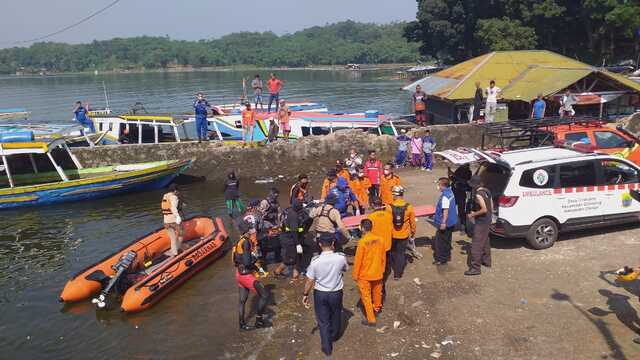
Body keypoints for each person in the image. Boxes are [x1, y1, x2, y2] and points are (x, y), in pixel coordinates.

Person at [302, 233, 349, 356]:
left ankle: (327, 347)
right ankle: (334, 335)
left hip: (320, 294)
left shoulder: (315, 261)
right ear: (333, 244)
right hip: (336, 292)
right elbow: (345, 269)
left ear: (320, 244)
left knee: (323, 321)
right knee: (336, 314)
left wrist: (305, 294)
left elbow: (309, 280)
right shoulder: (340, 257)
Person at [234, 220, 271, 331]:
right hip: (246, 275)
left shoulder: (239, 241)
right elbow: (246, 262)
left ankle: (241, 325)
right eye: (250, 228)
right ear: (246, 230)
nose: (251, 230)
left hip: (239, 275)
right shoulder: (246, 242)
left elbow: (238, 259)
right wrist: (255, 260)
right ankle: (259, 320)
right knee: (264, 295)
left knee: (242, 301)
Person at [353, 219, 385, 326]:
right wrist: (382, 269)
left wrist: (355, 275)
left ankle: (371, 319)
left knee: (366, 297)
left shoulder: (362, 242)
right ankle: (377, 308)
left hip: (365, 274)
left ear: (362, 228)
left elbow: (358, 260)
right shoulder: (380, 239)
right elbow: (383, 258)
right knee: (377, 292)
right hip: (378, 272)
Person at [465, 175, 492, 276]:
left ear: (475, 185)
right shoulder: (487, 191)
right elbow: (490, 206)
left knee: (476, 244)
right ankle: (486, 261)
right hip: (487, 220)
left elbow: (484, 209)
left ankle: (475, 268)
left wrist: (473, 214)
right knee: (485, 241)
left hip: (481, 221)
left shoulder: (478, 195)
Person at [387, 186, 416, 280]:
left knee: (393, 252)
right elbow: (412, 222)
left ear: (394, 195)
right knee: (401, 254)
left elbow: (387, 222)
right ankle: (397, 274)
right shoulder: (409, 207)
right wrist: (413, 233)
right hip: (403, 235)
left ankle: (392, 266)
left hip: (392, 234)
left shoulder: (389, 207)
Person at [274, 199, 305, 279]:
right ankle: (277, 271)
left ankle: (295, 274)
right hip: (290, 239)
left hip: (290, 237)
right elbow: (294, 231)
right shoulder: (294, 216)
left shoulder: (289, 210)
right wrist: (298, 244)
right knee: (290, 258)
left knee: (298, 256)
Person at [433, 177, 458, 265]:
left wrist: (443, 222)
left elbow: (445, 210)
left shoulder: (445, 196)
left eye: (439, 185)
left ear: (443, 185)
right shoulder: (450, 192)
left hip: (446, 223)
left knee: (440, 241)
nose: (438, 187)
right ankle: (447, 256)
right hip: (452, 221)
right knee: (447, 240)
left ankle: (441, 259)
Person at [367, 196, 393, 279]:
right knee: (386, 262)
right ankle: (385, 274)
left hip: (376, 245)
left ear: (372, 205)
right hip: (387, 244)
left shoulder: (371, 217)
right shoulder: (388, 215)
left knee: (378, 263)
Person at [161, 184, 183, 256]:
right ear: (175, 190)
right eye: (178, 191)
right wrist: (178, 216)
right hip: (173, 220)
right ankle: (178, 248)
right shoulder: (174, 197)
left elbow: (167, 206)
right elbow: (173, 208)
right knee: (181, 234)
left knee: (172, 238)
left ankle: (174, 252)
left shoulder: (165, 196)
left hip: (166, 221)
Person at [449, 164, 472, 230]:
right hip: (454, 192)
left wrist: (453, 175)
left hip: (461, 193)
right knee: (451, 209)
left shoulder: (468, 172)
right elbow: (453, 179)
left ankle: (463, 226)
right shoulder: (459, 169)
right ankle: (452, 225)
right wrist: (450, 174)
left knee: (461, 210)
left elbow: (465, 182)